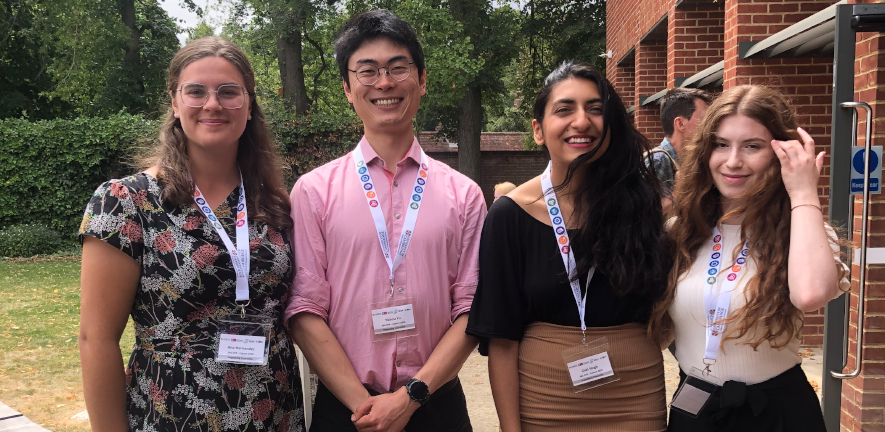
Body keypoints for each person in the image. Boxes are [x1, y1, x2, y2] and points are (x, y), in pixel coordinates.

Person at [78, 37, 304, 431]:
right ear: (175, 102)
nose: (213, 104)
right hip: (172, 414)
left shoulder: (275, 205)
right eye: (196, 91)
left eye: (229, 92)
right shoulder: (125, 202)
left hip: (273, 411)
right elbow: (95, 339)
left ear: (249, 106)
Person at [286, 9, 486, 432]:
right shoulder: (313, 192)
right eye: (367, 71)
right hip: (346, 410)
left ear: (422, 80)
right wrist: (366, 406)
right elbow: (304, 307)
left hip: (437, 408)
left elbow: (471, 309)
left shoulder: (464, 195)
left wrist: (409, 399)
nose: (385, 83)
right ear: (347, 88)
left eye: (399, 68)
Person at [466, 61, 670, 432]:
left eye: (595, 108)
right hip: (544, 404)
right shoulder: (511, 216)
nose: (581, 121)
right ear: (538, 130)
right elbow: (501, 340)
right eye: (564, 109)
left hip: (636, 402)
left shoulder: (642, 206)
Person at [648, 85, 850, 432]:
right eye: (721, 144)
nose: (733, 161)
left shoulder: (803, 231)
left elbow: (811, 294)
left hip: (777, 415)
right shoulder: (679, 231)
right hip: (695, 409)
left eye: (752, 146)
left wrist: (802, 192)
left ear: (780, 153)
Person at [644, 88, 712, 205]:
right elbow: (640, 215)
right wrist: (677, 194)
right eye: (703, 120)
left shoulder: (682, 161)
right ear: (680, 123)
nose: (709, 127)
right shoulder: (659, 160)